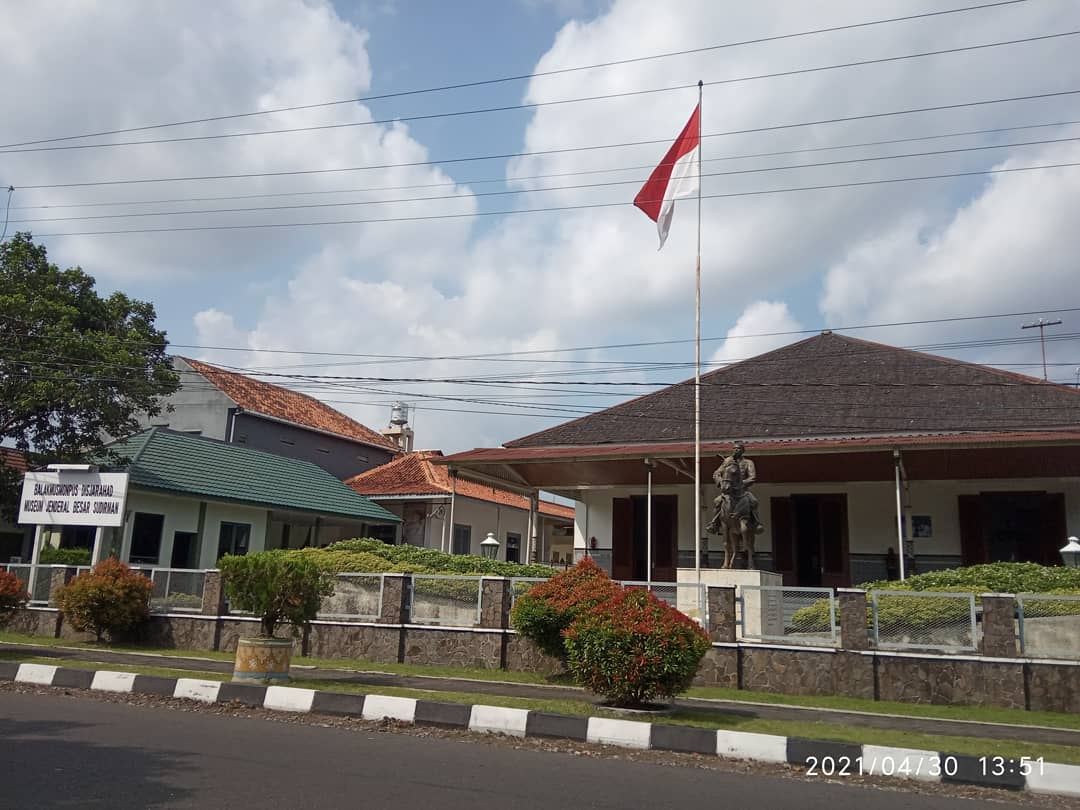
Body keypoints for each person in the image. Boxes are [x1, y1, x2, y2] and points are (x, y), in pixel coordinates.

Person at [713, 440, 763, 533]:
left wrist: (740, 484)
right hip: (729, 491)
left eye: (738, 448)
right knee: (717, 501)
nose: (736, 450)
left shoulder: (749, 463)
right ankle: (714, 524)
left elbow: (752, 477)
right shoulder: (728, 461)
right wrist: (721, 482)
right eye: (734, 448)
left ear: (743, 450)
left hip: (743, 491)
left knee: (754, 501)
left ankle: (757, 523)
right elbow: (717, 473)